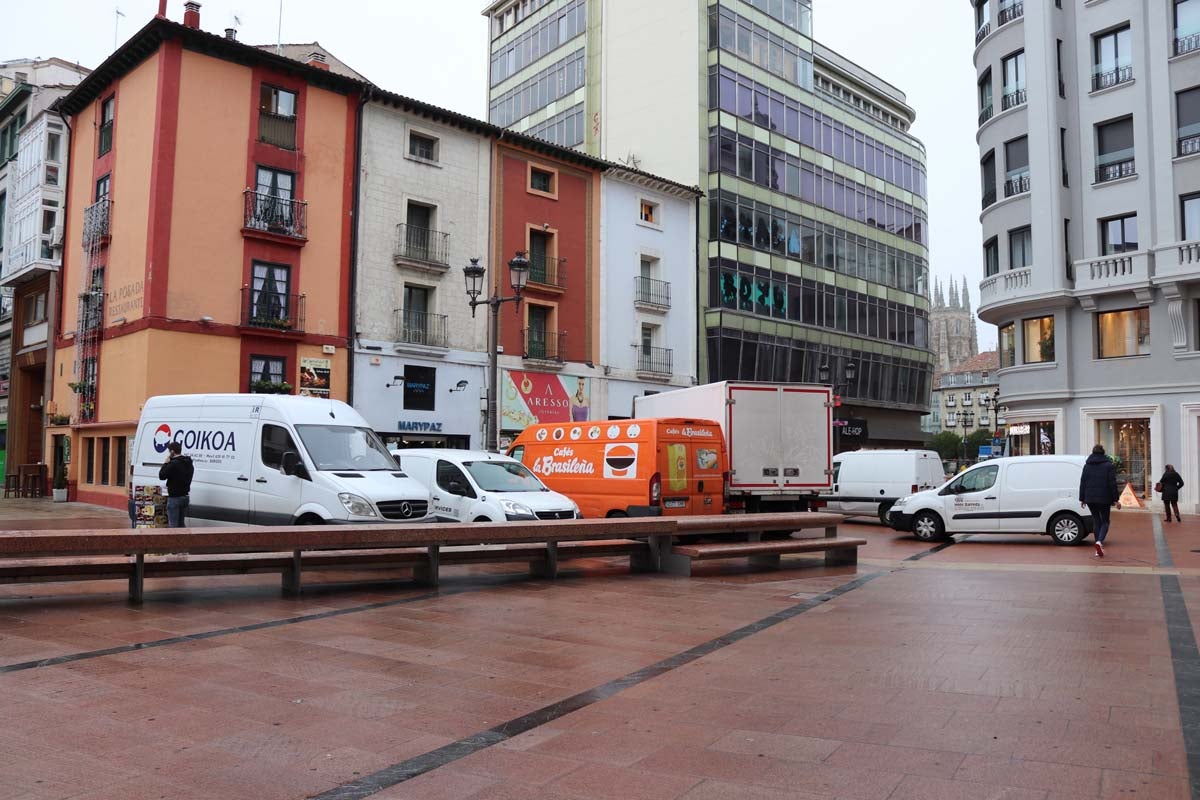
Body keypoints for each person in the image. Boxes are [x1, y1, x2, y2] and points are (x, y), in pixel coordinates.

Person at [1079, 444, 1119, 557]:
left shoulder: (1087, 466)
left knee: (1097, 521)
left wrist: (1082, 498)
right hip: (1104, 497)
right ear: (1103, 452)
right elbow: (1112, 483)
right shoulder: (1108, 466)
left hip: (1090, 498)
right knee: (1105, 521)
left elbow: (1083, 482)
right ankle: (1099, 542)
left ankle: (1097, 548)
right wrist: (1116, 499)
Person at [158, 441, 194, 528]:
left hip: (175, 498)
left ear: (172, 452)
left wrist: (166, 463)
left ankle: (173, 541)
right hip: (185, 497)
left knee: (173, 525)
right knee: (181, 524)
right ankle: (184, 541)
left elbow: (162, 475)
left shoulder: (173, 464)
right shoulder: (189, 463)